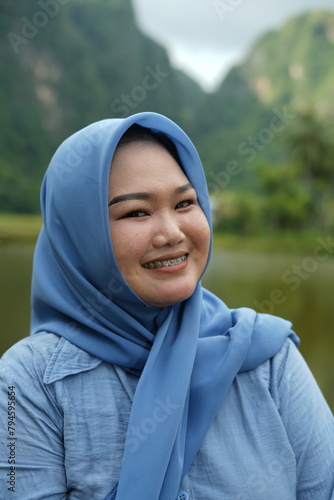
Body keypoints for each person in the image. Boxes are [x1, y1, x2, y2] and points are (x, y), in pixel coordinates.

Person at [0, 112, 333, 500]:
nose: (172, 233)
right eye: (136, 212)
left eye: (185, 203)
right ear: (79, 235)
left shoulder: (265, 356)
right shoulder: (24, 385)